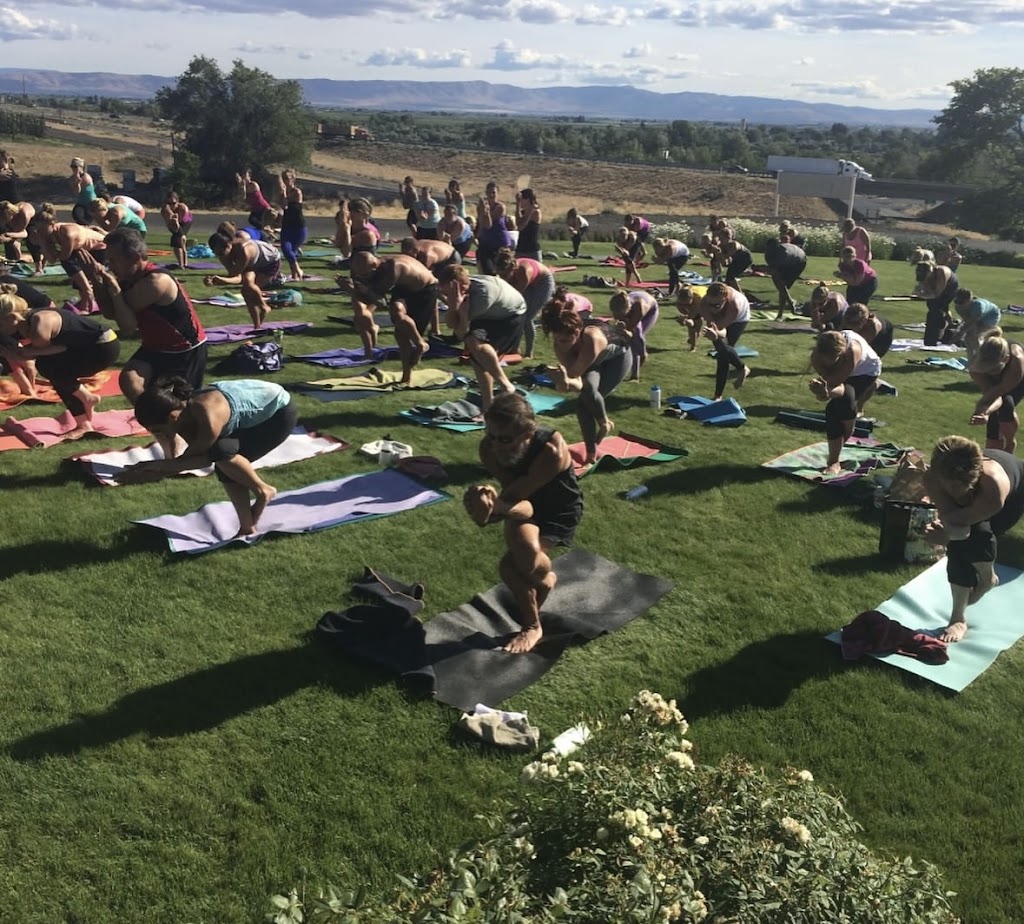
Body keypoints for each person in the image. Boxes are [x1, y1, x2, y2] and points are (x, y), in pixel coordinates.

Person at [463, 392, 583, 654]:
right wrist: (485, 505)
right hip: (522, 503)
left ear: (528, 432)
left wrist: (495, 507)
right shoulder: (488, 449)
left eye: (505, 439)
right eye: (491, 436)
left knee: (515, 565)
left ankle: (543, 582)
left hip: (558, 509)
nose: (495, 445)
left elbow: (521, 496)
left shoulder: (550, 450)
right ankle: (533, 624)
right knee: (516, 561)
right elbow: (514, 497)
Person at [126, 377, 298, 538]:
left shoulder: (208, 416)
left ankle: (263, 491)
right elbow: (185, 460)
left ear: (173, 417)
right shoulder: (182, 415)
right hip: (250, 407)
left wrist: (156, 468)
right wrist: (154, 468)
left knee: (221, 454)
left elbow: (202, 459)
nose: (157, 435)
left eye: (157, 430)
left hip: (277, 415)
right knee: (224, 462)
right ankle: (247, 527)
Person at [80, 228, 207, 417]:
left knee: (182, 408)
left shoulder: (155, 282)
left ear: (135, 257)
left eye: (114, 260)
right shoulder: (129, 277)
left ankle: (173, 428)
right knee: (130, 380)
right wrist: (97, 281)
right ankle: (156, 423)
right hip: (156, 346)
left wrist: (114, 291)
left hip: (183, 351)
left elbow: (127, 325)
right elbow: (109, 312)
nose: (110, 265)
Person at [923, 435, 1024, 642]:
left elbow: (966, 530)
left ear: (975, 478)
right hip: (979, 492)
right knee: (959, 545)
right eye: (950, 487)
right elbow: (953, 524)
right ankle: (958, 617)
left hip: (1016, 493)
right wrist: (945, 532)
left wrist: (947, 534)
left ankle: (987, 579)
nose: (957, 494)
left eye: (964, 488)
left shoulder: (993, 488)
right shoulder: (931, 477)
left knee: (978, 533)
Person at [0, 284, 120, 439]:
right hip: (93, 345)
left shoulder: (38, 324)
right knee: (52, 369)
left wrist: (20, 354)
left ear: (12, 318)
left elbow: (57, 349)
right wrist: (20, 354)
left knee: (49, 367)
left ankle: (83, 418)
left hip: (102, 348)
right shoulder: (28, 319)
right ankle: (85, 402)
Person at [541, 295, 631, 466]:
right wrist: (562, 382)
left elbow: (576, 382)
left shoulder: (591, 339)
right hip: (593, 359)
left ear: (576, 333)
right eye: (557, 340)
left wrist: (565, 381)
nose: (561, 345)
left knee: (584, 403)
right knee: (585, 398)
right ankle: (591, 452)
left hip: (618, 358)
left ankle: (603, 425)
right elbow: (571, 383)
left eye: (565, 340)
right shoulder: (560, 344)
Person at [437, 264, 526, 411]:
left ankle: (505, 384)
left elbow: (460, 333)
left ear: (463, 286)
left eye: (452, 292)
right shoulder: (462, 289)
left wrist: (459, 310)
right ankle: (488, 405)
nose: (448, 296)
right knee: (477, 358)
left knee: (475, 345)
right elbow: (452, 324)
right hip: (491, 313)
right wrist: (454, 306)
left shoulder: (484, 295)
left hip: (511, 315)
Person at [347, 251, 439, 383]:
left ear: (374, 265)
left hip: (425, 289)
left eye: (365, 274)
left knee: (403, 333)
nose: (364, 277)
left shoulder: (393, 268)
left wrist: (357, 290)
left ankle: (420, 343)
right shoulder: (376, 267)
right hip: (404, 287)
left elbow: (380, 302)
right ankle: (406, 376)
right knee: (398, 326)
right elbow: (368, 299)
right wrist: (353, 290)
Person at [808, 329, 881, 475]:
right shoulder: (816, 356)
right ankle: (833, 460)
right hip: (840, 377)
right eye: (824, 359)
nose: (826, 362)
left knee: (845, 402)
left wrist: (825, 393)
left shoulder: (852, 351)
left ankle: (835, 457)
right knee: (835, 409)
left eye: (831, 358)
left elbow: (836, 384)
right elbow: (831, 385)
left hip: (865, 372)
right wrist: (823, 392)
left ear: (839, 354)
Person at [27, 205, 107, 313]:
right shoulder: (46, 234)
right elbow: (52, 260)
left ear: (52, 224)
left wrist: (54, 252)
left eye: (42, 228)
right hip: (80, 249)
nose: (40, 231)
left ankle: (89, 298)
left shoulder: (67, 232)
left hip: (99, 247)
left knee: (80, 270)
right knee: (76, 275)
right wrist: (42, 243)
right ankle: (86, 301)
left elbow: (65, 256)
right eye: (38, 228)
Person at [205, 230, 281, 329]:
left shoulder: (244, 251)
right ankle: (256, 326)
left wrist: (220, 280)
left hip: (269, 262)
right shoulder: (223, 253)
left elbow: (238, 278)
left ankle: (264, 306)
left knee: (247, 288)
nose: (220, 256)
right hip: (253, 263)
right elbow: (233, 274)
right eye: (216, 253)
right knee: (246, 292)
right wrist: (215, 281)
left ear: (229, 245)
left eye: (221, 253)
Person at [688, 281, 751, 399]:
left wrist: (716, 334)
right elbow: (713, 326)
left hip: (739, 318)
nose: (712, 309)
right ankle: (741, 369)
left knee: (723, 354)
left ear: (725, 299)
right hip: (720, 322)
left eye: (716, 305)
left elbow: (723, 331)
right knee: (722, 351)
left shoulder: (734, 305)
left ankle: (719, 394)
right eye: (710, 304)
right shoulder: (703, 304)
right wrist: (715, 333)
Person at [968, 330, 1024, 453]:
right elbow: (991, 396)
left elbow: (1000, 392)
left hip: (1020, 378)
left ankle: (1010, 443)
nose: (991, 374)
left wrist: (986, 411)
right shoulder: (975, 368)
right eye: (987, 371)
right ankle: (994, 452)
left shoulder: (1016, 360)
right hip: (1000, 385)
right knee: (995, 416)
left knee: (1007, 404)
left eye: (994, 370)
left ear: (1005, 359)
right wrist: (983, 413)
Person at [495, 248, 555, 360]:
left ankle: (528, 353)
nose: (502, 278)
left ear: (512, 269)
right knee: (514, 316)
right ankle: (513, 349)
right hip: (528, 281)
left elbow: (517, 299)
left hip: (543, 283)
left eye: (504, 275)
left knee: (526, 317)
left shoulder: (524, 272)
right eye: (500, 275)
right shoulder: (508, 272)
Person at [608, 289, 658, 381]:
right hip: (633, 300)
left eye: (620, 315)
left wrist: (624, 330)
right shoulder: (618, 303)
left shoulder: (640, 308)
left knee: (636, 336)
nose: (617, 317)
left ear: (627, 310)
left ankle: (636, 371)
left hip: (650, 310)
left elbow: (630, 331)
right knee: (624, 335)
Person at [914, 260, 959, 346]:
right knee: (932, 306)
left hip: (950, 286)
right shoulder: (923, 274)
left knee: (939, 306)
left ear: (930, 270)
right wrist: (919, 291)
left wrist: (922, 295)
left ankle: (942, 325)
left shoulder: (941, 272)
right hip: (936, 286)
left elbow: (937, 294)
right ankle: (948, 324)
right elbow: (923, 288)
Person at [475, 182, 513, 275]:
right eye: (489, 193)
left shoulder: (500, 207)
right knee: (486, 268)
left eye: (494, 192)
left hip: (499, 242)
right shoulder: (481, 207)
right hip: (487, 241)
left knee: (503, 269)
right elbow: (481, 223)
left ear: (497, 193)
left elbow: (488, 224)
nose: (491, 195)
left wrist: (486, 212)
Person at [764, 237, 806, 320]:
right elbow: (772, 270)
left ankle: (781, 314)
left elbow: (774, 271)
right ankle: (790, 302)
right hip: (789, 260)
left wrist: (763, 268)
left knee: (783, 285)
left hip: (798, 262)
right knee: (779, 283)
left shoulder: (782, 253)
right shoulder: (768, 254)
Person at [953, 289, 1001, 362]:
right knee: (967, 338)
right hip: (976, 316)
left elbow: (971, 323)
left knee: (975, 336)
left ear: (969, 300)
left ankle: (982, 359)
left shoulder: (978, 306)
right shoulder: (958, 307)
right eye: (957, 302)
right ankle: (971, 360)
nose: (960, 305)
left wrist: (960, 333)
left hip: (991, 316)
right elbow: (967, 321)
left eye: (962, 302)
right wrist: (960, 332)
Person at [277, 168, 307, 281]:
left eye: (287, 178)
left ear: (293, 179)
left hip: (298, 226)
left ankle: (296, 272)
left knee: (291, 252)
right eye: (283, 178)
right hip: (287, 225)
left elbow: (285, 204)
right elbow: (281, 205)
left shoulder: (296, 192)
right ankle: (296, 272)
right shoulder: (282, 193)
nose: (285, 181)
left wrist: (283, 192)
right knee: (286, 249)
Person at [160, 191, 193, 270]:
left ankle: (183, 263)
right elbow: (169, 224)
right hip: (173, 223)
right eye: (169, 203)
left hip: (185, 222)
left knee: (179, 240)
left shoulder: (182, 208)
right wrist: (170, 214)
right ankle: (181, 263)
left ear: (177, 202)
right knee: (177, 241)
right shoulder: (164, 210)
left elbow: (178, 224)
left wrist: (173, 217)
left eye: (173, 203)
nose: (171, 205)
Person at [0, 200, 36, 266]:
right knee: (12, 253)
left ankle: (37, 261)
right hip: (18, 227)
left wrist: (7, 236)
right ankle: (15, 259)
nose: (4, 220)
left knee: (32, 239)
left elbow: (24, 234)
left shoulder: (24, 215)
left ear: (10, 213)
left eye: (4, 217)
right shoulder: (7, 216)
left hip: (32, 224)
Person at [514, 187, 542, 262]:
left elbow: (521, 226)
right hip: (521, 248)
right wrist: (517, 205)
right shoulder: (523, 211)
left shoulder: (535, 211)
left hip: (532, 250)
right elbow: (518, 223)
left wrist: (529, 210)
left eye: (522, 199)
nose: (521, 201)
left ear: (527, 200)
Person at [69, 157, 98, 225]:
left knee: (86, 218)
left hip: (91, 203)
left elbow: (78, 190)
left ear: (80, 167)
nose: (73, 168)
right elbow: (76, 193)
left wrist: (78, 183)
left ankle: (89, 227)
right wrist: (76, 182)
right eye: (72, 166)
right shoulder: (71, 178)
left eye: (75, 166)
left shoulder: (86, 177)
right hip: (81, 203)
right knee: (76, 214)